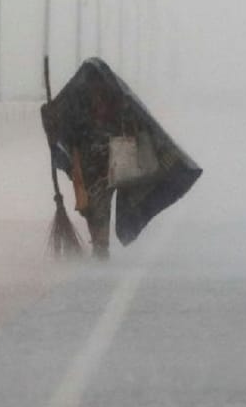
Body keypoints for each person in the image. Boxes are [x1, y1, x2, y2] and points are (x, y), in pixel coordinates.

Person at [41, 58, 202, 259]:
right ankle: (100, 246)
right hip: (90, 167)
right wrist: (50, 119)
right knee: (93, 208)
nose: (95, 89)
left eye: (98, 82)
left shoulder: (119, 102)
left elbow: (137, 125)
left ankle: (101, 247)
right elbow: (66, 129)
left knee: (100, 207)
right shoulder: (79, 104)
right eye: (91, 83)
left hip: (114, 164)